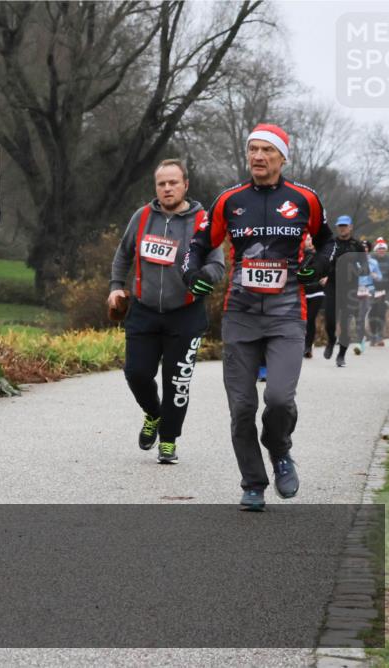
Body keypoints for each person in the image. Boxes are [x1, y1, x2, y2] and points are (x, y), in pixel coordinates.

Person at [183, 123, 335, 511]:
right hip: (241, 315)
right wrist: (192, 276)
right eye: (253, 150)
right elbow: (198, 246)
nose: (259, 157)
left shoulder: (304, 199)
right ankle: (253, 482)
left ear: (282, 157)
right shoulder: (229, 201)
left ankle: (280, 450)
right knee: (242, 408)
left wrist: (315, 265)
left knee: (280, 399)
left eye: (267, 150)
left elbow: (328, 241)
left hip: (287, 314)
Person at [109, 159, 224, 464]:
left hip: (185, 313)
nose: (167, 188)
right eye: (162, 183)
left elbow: (218, 264)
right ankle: (153, 413)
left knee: (177, 382)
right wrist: (115, 286)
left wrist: (205, 277)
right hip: (144, 311)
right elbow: (123, 254)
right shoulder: (142, 216)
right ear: (156, 187)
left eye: (173, 182)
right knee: (136, 373)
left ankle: (169, 440)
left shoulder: (203, 220)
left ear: (186, 184)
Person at [322, 215, 367, 367]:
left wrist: (358, 271)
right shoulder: (331, 244)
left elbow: (365, 267)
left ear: (350, 227)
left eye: (345, 225)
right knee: (329, 319)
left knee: (346, 324)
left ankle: (341, 355)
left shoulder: (357, 245)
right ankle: (331, 340)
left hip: (350, 288)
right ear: (337, 227)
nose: (342, 228)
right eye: (340, 226)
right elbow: (323, 261)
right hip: (332, 285)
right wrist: (322, 275)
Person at [352, 240, 382, 354]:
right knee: (355, 317)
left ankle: (359, 343)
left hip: (368, 290)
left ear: (368, 249)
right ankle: (361, 338)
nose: (364, 249)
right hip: (355, 290)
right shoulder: (354, 261)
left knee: (361, 315)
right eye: (362, 247)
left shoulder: (373, 262)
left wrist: (374, 275)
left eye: (366, 247)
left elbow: (379, 277)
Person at [369, 237, 389, 346]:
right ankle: (373, 335)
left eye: (383, 249)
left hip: (385, 291)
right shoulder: (371, 259)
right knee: (373, 313)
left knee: (381, 312)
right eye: (379, 249)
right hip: (372, 291)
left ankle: (379, 336)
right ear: (376, 250)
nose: (381, 250)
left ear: (385, 250)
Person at [302, 233, 326, 358]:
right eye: (307, 239)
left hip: (317, 292)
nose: (309, 241)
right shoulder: (298, 255)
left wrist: (327, 277)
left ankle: (308, 347)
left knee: (310, 319)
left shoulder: (320, 254)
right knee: (301, 321)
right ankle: (300, 345)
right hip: (302, 293)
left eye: (311, 239)